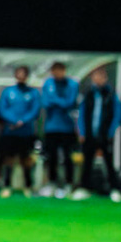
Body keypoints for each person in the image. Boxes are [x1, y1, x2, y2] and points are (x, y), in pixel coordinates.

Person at [76, 66, 121, 201]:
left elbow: (117, 114)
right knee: (87, 162)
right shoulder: (88, 93)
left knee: (108, 162)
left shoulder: (111, 93)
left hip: (105, 134)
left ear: (105, 78)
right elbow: (81, 114)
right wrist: (82, 132)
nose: (98, 79)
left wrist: (111, 131)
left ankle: (114, 189)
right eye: (95, 76)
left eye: (100, 76)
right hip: (90, 134)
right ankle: (84, 188)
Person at [0, 65, 42, 193]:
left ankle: (28, 186)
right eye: (18, 73)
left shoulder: (33, 93)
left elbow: (35, 110)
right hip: (9, 131)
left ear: (27, 76)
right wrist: (13, 120)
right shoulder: (8, 92)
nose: (21, 76)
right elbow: (3, 109)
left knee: (25, 159)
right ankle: (6, 185)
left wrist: (23, 121)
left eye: (23, 74)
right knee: (8, 158)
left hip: (26, 132)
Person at [38, 61, 80, 197]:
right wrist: (60, 102)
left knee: (68, 156)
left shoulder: (72, 84)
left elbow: (70, 103)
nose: (57, 73)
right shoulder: (48, 84)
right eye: (55, 71)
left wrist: (55, 100)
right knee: (51, 157)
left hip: (67, 127)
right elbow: (45, 102)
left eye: (60, 70)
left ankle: (68, 184)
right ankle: (52, 183)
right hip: (51, 127)